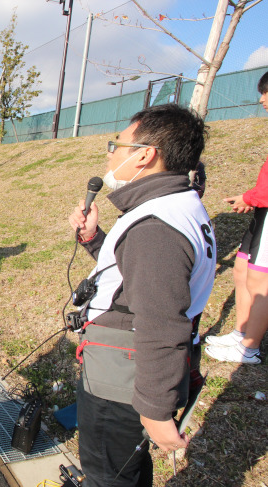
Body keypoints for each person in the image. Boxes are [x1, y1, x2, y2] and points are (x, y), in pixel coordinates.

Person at [67, 103, 215, 486]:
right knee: (127, 469)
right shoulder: (175, 207)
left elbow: (161, 322)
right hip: (125, 367)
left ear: (145, 155)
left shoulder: (156, 226)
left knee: (108, 474)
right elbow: (135, 278)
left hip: (121, 375)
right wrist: (94, 239)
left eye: (117, 143)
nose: (111, 153)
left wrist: (154, 407)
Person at [205, 71, 268, 365]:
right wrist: (251, 197)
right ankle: (241, 332)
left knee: (261, 282)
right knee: (242, 268)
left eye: (266, 92)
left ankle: (250, 348)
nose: (262, 99)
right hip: (261, 211)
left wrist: (252, 198)